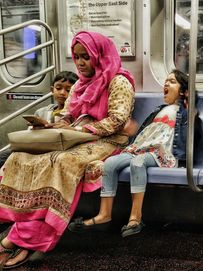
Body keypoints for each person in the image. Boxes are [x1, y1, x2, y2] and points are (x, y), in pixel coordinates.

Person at [0, 31, 135, 269]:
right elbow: (67, 115)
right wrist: (53, 125)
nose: (81, 63)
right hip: (76, 136)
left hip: (109, 140)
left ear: (99, 55)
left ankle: (23, 240)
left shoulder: (119, 81)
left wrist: (84, 131)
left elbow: (117, 120)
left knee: (60, 162)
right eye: (77, 57)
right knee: (20, 157)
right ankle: (20, 229)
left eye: (86, 57)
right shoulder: (81, 85)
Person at [68, 69, 189, 238]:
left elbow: (190, 131)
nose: (166, 84)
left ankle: (135, 217)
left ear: (184, 91)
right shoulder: (159, 110)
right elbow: (146, 133)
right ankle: (104, 214)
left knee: (138, 163)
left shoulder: (185, 113)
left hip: (162, 151)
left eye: (173, 81)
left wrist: (189, 105)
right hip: (141, 147)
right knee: (110, 164)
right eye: (166, 81)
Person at [0, 71, 79, 168]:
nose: (62, 93)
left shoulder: (75, 114)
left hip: (56, 149)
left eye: (68, 90)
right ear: (52, 90)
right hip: (37, 145)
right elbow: (30, 135)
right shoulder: (41, 112)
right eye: (58, 88)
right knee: (4, 155)